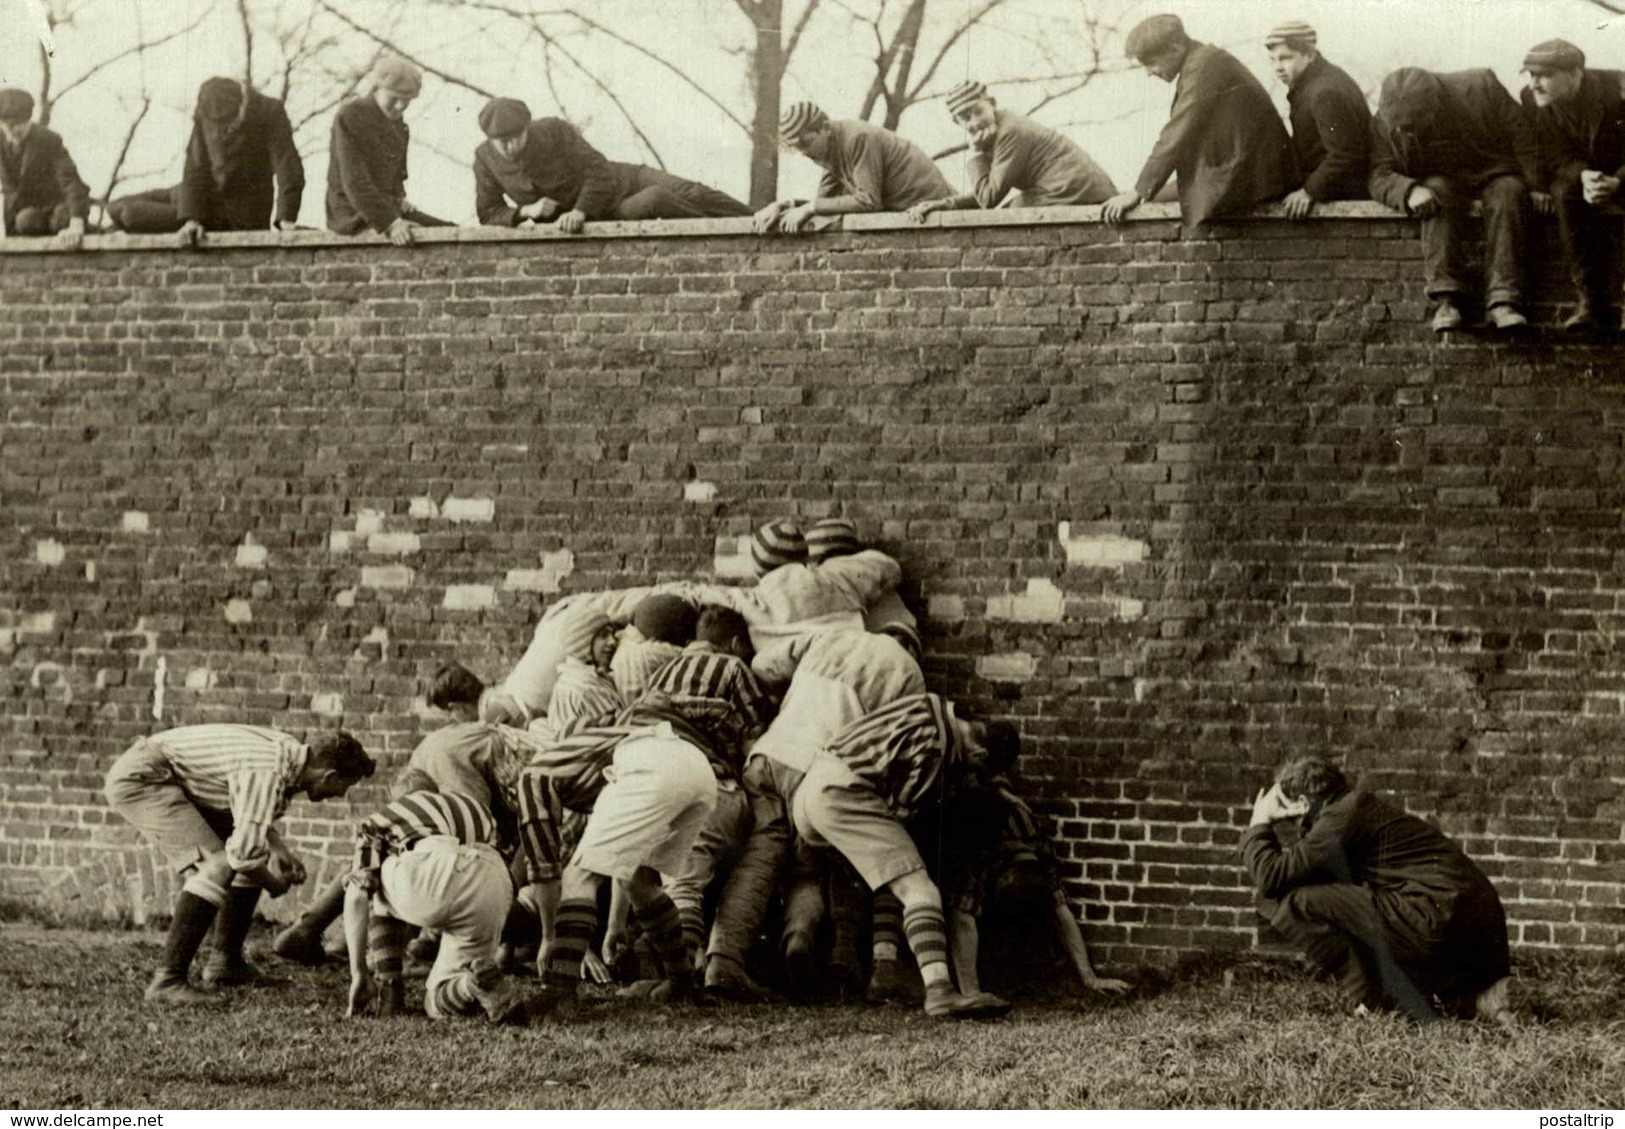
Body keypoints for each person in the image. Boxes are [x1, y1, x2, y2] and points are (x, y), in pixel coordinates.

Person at [704, 612, 926, 1001]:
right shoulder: (908, 672)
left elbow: (762, 665)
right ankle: (803, 941)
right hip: (820, 770)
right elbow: (897, 743)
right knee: (814, 868)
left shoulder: (830, 637)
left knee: (758, 859)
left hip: (769, 756)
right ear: (912, 646)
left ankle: (723, 959)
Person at [103, 724, 374, 1004]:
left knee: (249, 851)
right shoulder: (267, 773)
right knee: (219, 865)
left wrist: (279, 849)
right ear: (330, 774)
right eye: (345, 785)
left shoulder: (290, 756)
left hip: (169, 774)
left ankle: (225, 962)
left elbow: (245, 811)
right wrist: (273, 884)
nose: (341, 795)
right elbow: (243, 857)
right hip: (145, 778)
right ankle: (168, 980)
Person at [792, 693, 1019, 1020]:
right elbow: (901, 814)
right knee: (920, 887)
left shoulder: (929, 704)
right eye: (977, 768)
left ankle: (885, 972)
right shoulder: (935, 748)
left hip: (812, 789)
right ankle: (940, 990)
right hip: (844, 793)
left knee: (890, 876)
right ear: (979, 751)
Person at [1241, 755, 1512, 1025]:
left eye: (1293, 821)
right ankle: (1471, 999)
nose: (1299, 830)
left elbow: (1270, 877)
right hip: (1466, 923)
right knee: (1334, 901)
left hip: (1438, 914)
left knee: (1295, 902)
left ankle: (1374, 1001)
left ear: (1302, 803)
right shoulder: (1351, 807)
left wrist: (1260, 822)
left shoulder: (1341, 816)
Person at [637, 606, 775, 966]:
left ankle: (663, 964)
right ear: (733, 643)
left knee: (661, 877)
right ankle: (685, 972)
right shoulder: (734, 668)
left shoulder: (659, 674)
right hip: (706, 782)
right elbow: (756, 740)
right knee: (690, 878)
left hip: (651, 780)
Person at [1369, 67, 1546, 333]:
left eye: (1415, 125)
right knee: (1434, 192)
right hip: (1442, 180)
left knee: (1510, 191)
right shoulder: (1385, 119)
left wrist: (1536, 186)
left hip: (1493, 169)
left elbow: (1523, 135)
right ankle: (1447, 300)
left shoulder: (1480, 86)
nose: (1408, 133)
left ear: (1434, 105)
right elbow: (1378, 173)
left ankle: (1504, 300)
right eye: (1401, 128)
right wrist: (1407, 191)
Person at [342, 768, 524, 1023]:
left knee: (368, 877)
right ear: (434, 791)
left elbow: (356, 896)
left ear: (399, 798)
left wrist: (359, 972)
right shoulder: (475, 808)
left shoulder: (387, 815)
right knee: (437, 1001)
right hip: (491, 880)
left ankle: (389, 988)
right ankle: (472, 985)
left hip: (429, 872)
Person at [1101, 14, 1298, 234]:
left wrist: (1138, 191)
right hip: (1245, 168)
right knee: (1157, 197)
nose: (1149, 72)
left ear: (1175, 48)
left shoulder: (1203, 65)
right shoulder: (1201, 62)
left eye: (1151, 63)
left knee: (1151, 199)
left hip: (1256, 175)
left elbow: (1177, 133)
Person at [943, 777, 1130, 1002]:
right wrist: (972, 992)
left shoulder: (1039, 851)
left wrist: (1089, 977)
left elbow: (1062, 912)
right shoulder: (980, 849)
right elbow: (961, 917)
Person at [473, 97, 750, 232]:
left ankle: (758, 220)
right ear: (490, 139)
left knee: (694, 191)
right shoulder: (485, 159)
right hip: (607, 212)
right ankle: (737, 237)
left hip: (624, 179)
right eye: (501, 141)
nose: (509, 146)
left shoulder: (552, 130)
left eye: (515, 137)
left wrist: (580, 209)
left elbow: (597, 168)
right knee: (657, 199)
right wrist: (523, 212)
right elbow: (488, 212)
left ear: (527, 128)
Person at [105, 77, 304, 243]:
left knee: (130, 214)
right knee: (114, 207)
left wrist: (285, 218)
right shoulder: (204, 113)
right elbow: (194, 166)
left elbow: (288, 166)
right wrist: (192, 218)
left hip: (234, 215)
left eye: (229, 125)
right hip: (198, 198)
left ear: (242, 105)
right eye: (216, 128)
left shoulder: (269, 112)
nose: (222, 132)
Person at [1520, 38, 1625, 333]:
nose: (1534, 84)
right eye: (1530, 75)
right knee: (1564, 193)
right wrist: (1582, 175)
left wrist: (1617, 180)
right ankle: (1589, 301)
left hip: (1621, 172)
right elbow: (1552, 152)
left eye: (1545, 75)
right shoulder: (1532, 101)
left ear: (1576, 73)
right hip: (1585, 178)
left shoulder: (1620, 91)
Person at [906, 80, 1115, 221]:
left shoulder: (1010, 131)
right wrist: (943, 205)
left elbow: (988, 200)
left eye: (978, 111)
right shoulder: (994, 132)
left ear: (992, 104)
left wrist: (976, 153)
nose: (975, 122)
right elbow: (987, 192)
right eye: (965, 118)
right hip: (1070, 188)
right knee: (1007, 213)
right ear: (956, 122)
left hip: (1075, 188)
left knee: (1004, 219)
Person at [755, 102, 953, 234]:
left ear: (824, 128)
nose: (804, 153)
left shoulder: (857, 138)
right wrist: (784, 205)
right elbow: (825, 204)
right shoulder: (830, 148)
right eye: (797, 149)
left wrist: (808, 208)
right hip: (910, 217)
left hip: (932, 214)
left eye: (805, 144)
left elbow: (868, 201)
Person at [326, 57, 451, 245]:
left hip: (387, 207)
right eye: (394, 97)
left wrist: (399, 197)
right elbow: (355, 181)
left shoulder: (400, 127)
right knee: (421, 238)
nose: (400, 106)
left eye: (407, 101)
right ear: (377, 88)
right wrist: (390, 224)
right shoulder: (351, 115)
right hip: (352, 211)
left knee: (449, 231)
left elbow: (397, 176)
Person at [1263, 21, 1371, 218]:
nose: (1277, 67)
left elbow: (1346, 155)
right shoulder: (1313, 84)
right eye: (1273, 60)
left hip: (1347, 194)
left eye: (1285, 58)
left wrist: (1309, 191)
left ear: (1310, 55)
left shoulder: (1325, 92)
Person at [0, 86, 89, 248]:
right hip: (24, 214)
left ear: (29, 120)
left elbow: (70, 180)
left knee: (62, 218)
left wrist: (77, 222)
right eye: (8, 126)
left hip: (55, 206)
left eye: (20, 124)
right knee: (25, 221)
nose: (13, 131)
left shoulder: (48, 140)